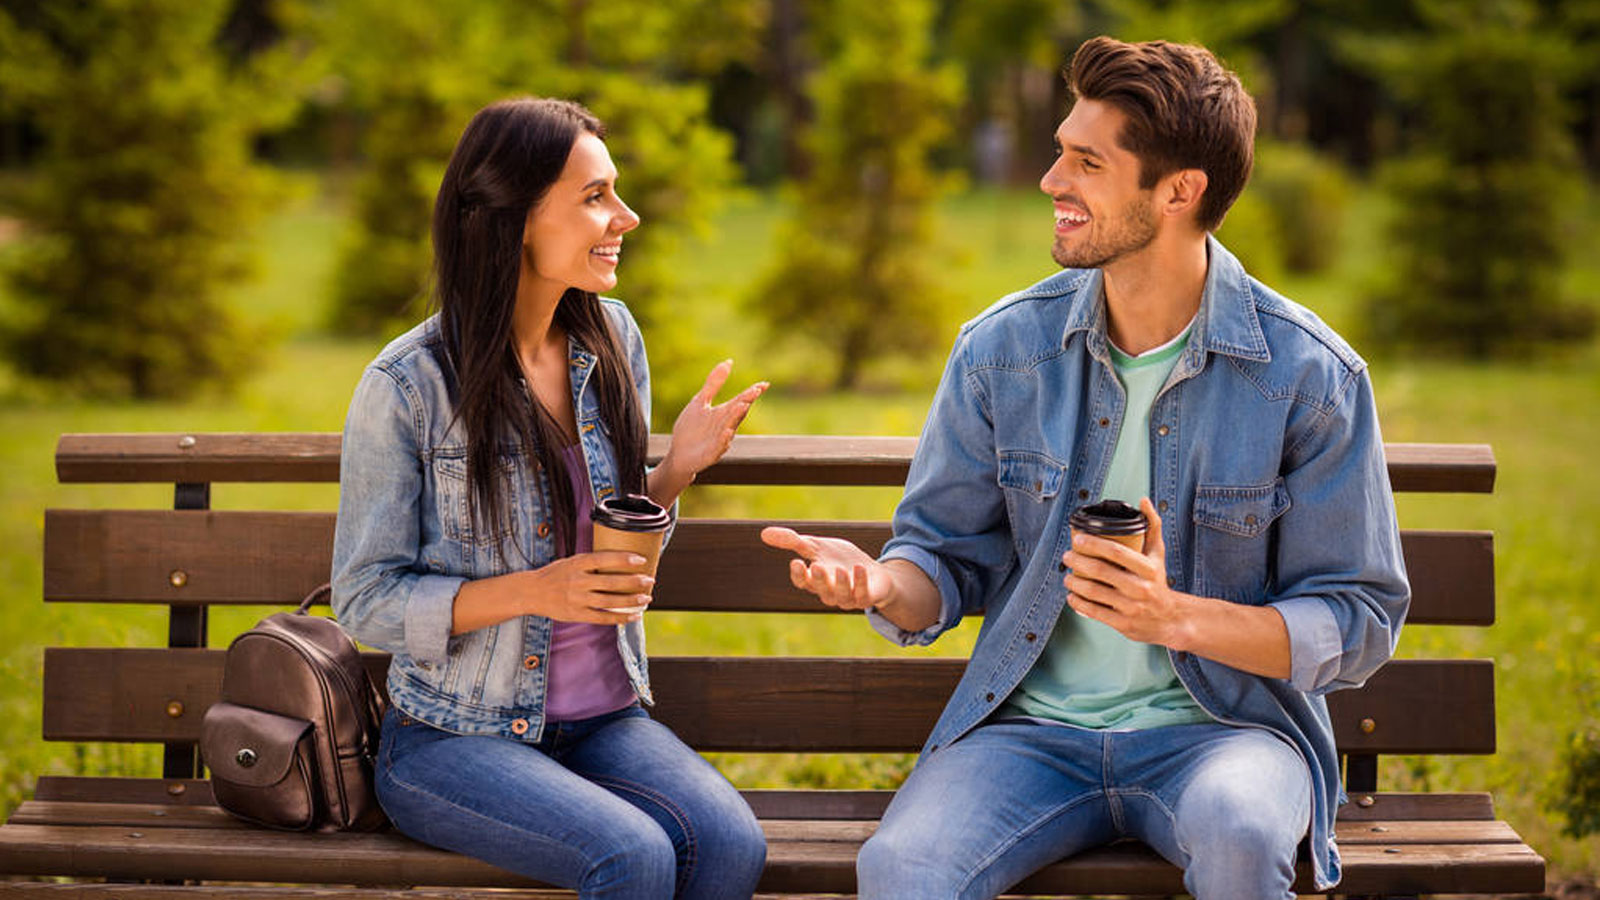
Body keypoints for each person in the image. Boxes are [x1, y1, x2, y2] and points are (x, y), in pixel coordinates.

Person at [761, 36, 1409, 900]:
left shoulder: (1307, 375)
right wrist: (881, 584)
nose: (1050, 180)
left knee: (1244, 832)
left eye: (1085, 161)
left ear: (1179, 191)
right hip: (1028, 734)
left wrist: (1174, 618)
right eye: (1060, 151)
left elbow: (1357, 615)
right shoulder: (1003, 351)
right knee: (902, 867)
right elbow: (944, 556)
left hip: (1227, 733)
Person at [332, 97, 769, 900]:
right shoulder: (409, 384)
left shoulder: (613, 341)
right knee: (634, 857)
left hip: (604, 720)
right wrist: (534, 591)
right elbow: (363, 600)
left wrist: (673, 476)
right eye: (595, 196)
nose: (626, 218)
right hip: (451, 737)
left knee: (732, 844)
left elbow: (612, 557)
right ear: (515, 216)